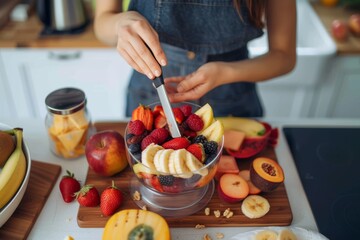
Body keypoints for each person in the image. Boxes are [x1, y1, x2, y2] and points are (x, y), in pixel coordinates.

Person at [94, 0, 296, 117]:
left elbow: (284, 56)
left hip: (232, 96)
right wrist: (120, 23)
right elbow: (102, 23)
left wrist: (225, 72)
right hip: (151, 93)